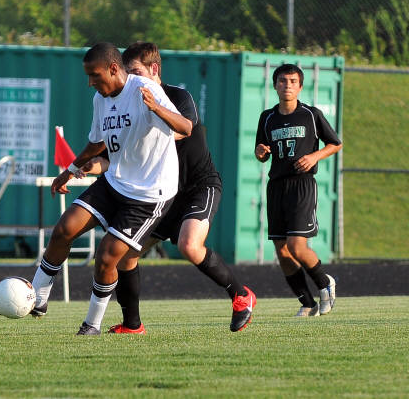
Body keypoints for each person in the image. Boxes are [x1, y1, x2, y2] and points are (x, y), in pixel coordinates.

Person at [78, 42, 256, 334]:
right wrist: (89, 166)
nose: (131, 79)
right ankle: (132, 325)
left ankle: (241, 295)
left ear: (154, 69)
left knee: (189, 245)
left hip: (196, 186)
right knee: (125, 254)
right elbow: (115, 157)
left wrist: (151, 113)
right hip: (159, 195)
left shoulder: (177, 96)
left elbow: (180, 130)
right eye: (127, 73)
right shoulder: (125, 102)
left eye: (136, 72)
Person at [29, 42, 192, 335]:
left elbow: (186, 127)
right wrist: (69, 171)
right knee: (64, 228)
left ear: (114, 69)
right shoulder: (100, 99)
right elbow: (96, 143)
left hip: (149, 194)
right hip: (116, 181)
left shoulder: (145, 89)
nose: (90, 82)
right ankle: (37, 299)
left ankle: (92, 324)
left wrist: (156, 108)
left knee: (105, 257)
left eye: (95, 75)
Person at [255, 63, 342, 317]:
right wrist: (260, 153)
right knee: (282, 252)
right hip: (276, 186)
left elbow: (335, 143)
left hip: (301, 185)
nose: (288, 85)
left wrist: (314, 156)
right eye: (283, 81)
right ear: (275, 85)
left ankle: (325, 283)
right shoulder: (267, 117)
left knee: (296, 246)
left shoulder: (311, 115)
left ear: (301, 86)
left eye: (293, 81)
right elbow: (262, 152)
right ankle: (307, 303)